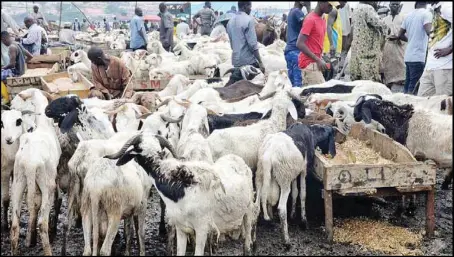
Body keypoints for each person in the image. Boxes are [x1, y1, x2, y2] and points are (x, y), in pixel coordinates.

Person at [393, 2, 432, 94]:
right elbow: (429, 32)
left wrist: (411, 40)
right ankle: (409, 105)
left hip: (409, 55)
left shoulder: (409, 15)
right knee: (414, 87)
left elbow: (400, 35)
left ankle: (404, 103)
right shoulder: (426, 14)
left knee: (408, 84)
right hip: (418, 56)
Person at [296, 2, 338, 86]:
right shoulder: (310, 19)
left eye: (332, 6)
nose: (331, 8)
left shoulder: (322, 18)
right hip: (309, 65)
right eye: (329, 5)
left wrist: (321, 57)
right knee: (321, 95)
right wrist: (317, 59)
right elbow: (299, 43)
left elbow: (315, 42)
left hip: (316, 63)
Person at [226, 1, 265, 86]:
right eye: (249, 6)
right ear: (244, 6)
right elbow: (253, 45)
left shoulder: (230, 22)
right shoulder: (249, 20)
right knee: (258, 86)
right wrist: (260, 62)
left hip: (236, 61)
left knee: (236, 87)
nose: (250, 9)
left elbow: (232, 44)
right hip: (248, 62)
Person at [417, 3, 452, 97]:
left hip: (445, 68)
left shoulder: (447, 7)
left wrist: (450, 49)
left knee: (442, 106)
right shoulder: (432, 9)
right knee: (422, 103)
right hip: (430, 67)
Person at [349, 2, 387, 82]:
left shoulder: (356, 9)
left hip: (357, 51)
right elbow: (380, 24)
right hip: (368, 53)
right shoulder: (368, 8)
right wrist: (387, 30)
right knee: (369, 84)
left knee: (358, 82)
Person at [382, 1, 407, 91]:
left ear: (400, 6)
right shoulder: (384, 20)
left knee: (401, 71)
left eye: (397, 4)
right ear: (389, 5)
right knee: (387, 70)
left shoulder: (404, 18)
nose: (395, 6)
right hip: (387, 48)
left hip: (400, 48)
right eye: (393, 4)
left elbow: (407, 34)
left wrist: (398, 37)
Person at [285, 1, 306, 88]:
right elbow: (307, 26)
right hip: (296, 52)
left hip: (289, 50)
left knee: (292, 83)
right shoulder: (298, 12)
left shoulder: (291, 11)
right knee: (298, 86)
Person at [338, 1, 352, 69]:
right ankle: (340, 66)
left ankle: (342, 66)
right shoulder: (337, 4)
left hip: (345, 30)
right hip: (340, 29)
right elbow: (350, 17)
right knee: (341, 50)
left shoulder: (346, 4)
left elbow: (350, 17)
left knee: (344, 49)